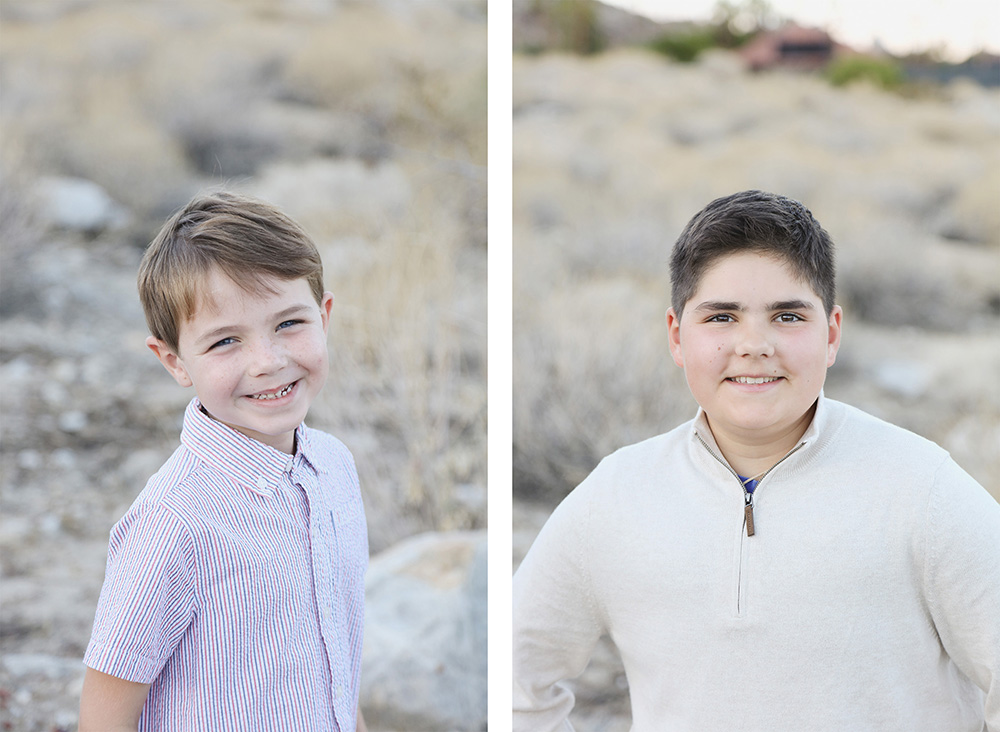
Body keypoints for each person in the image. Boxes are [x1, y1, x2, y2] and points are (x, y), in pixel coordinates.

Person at [512, 190, 1000, 731]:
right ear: (677, 336)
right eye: (721, 317)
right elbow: (517, 679)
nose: (754, 345)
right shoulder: (617, 496)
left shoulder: (924, 491)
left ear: (832, 333)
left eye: (788, 316)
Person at [79, 191, 369, 732]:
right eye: (225, 342)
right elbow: (105, 715)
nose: (268, 362)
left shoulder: (334, 467)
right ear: (173, 360)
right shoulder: (175, 523)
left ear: (324, 316)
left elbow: (336, 664)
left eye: (289, 324)